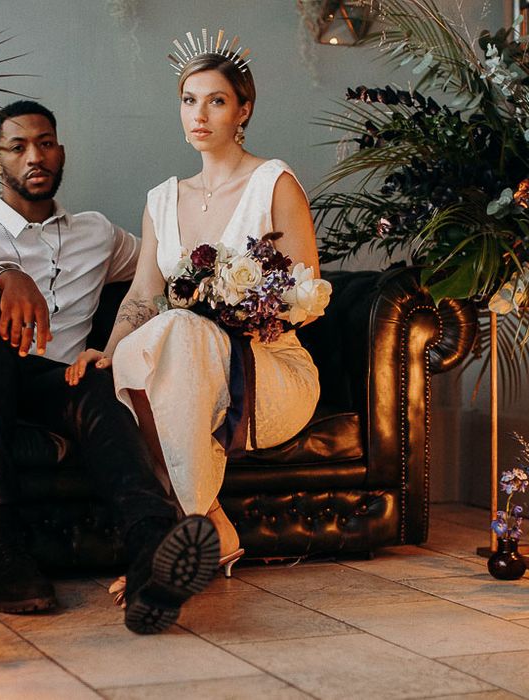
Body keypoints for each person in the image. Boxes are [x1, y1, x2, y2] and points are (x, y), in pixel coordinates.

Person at [0, 100, 221, 634]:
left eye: (45, 143)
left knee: (95, 377)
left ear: (61, 152)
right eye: (18, 147)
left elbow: (164, 269)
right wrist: (5, 277)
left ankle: (151, 551)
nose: (34, 156)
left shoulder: (98, 234)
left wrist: (240, 274)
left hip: (51, 382)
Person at [66, 31, 323, 580]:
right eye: (189, 100)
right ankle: (206, 527)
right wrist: (105, 352)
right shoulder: (163, 199)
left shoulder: (272, 183)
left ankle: (185, 536)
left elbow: (310, 296)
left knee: (178, 327)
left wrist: (242, 310)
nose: (199, 114)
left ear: (243, 109)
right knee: (138, 355)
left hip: (267, 376)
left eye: (217, 100)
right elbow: (140, 295)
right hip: (192, 375)